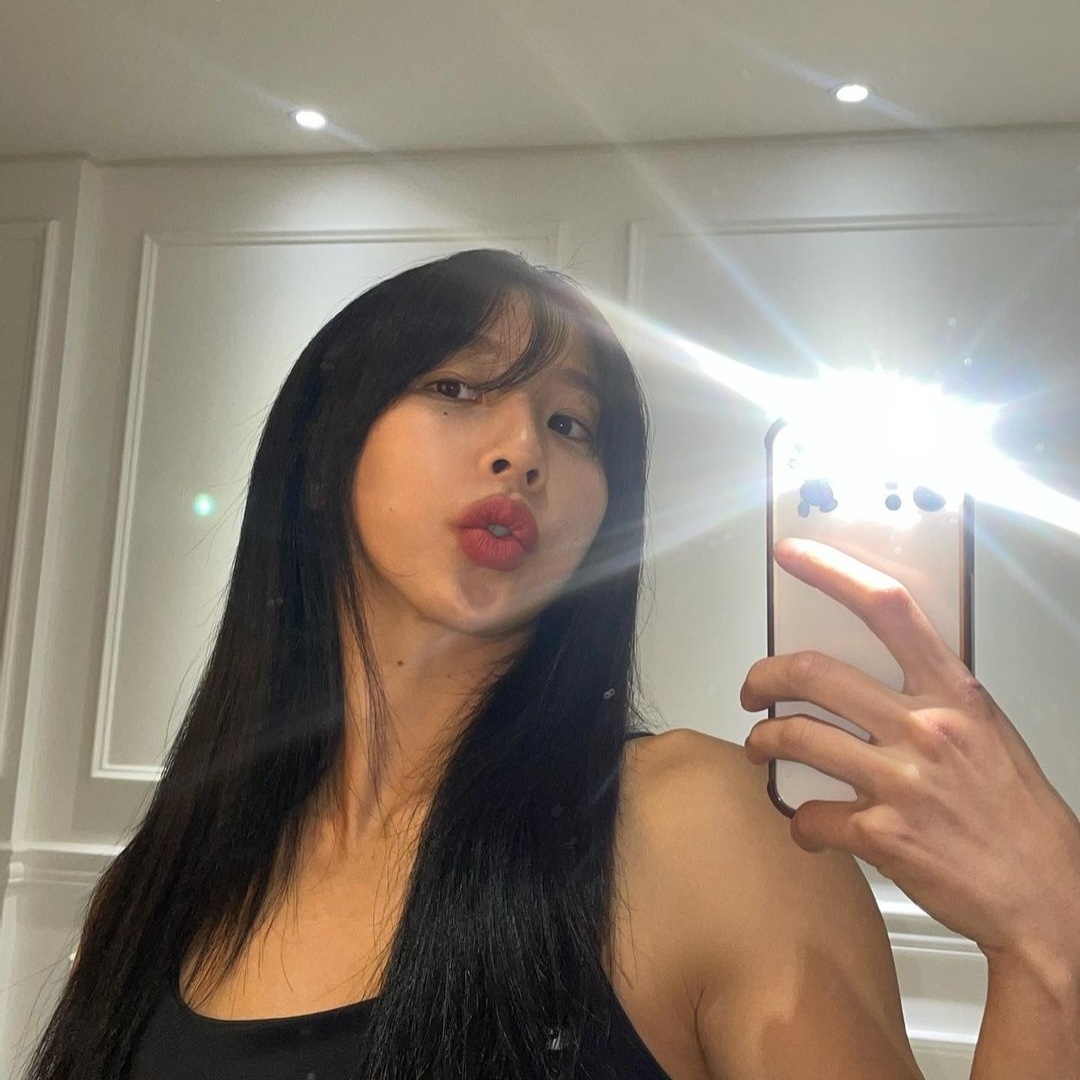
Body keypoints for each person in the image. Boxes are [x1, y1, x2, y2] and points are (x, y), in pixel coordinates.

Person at [25, 249, 1080, 1080]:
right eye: (456, 385)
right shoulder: (155, 891)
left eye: (572, 424)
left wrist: (1050, 938)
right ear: (315, 455)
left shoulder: (699, 833)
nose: (523, 449)